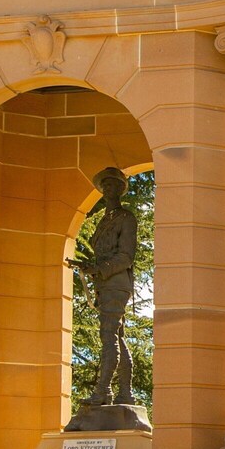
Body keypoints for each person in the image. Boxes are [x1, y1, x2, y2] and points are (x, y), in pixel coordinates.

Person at [70, 167, 138, 406]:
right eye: (105, 185)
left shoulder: (126, 218)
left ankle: (104, 392)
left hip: (116, 284)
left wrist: (99, 268)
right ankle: (124, 394)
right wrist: (88, 265)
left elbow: (126, 257)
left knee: (108, 336)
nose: (108, 189)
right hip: (106, 284)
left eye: (112, 185)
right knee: (116, 337)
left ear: (120, 189)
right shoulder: (105, 221)